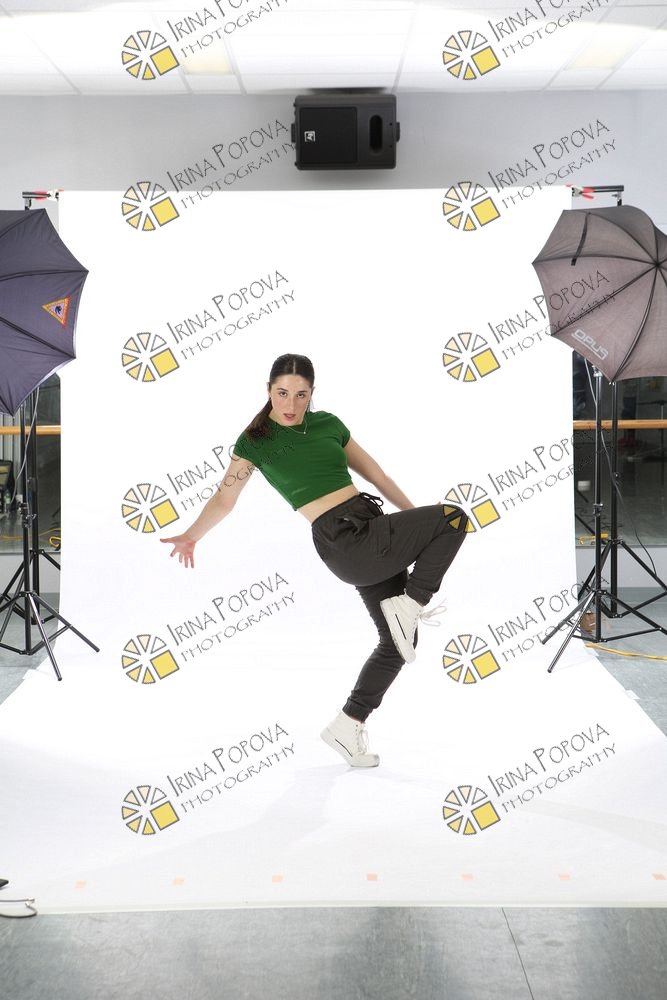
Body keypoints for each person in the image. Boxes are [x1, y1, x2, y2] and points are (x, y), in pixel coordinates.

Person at [161, 354, 468, 768]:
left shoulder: (328, 424)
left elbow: (378, 477)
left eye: (301, 395)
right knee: (454, 518)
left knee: (399, 642)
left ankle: (348, 723)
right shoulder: (254, 441)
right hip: (343, 539)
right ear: (268, 390)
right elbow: (224, 498)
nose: (291, 404)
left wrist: (416, 527)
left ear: (312, 394)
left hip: (373, 529)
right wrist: (192, 535)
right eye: (282, 393)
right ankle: (411, 603)